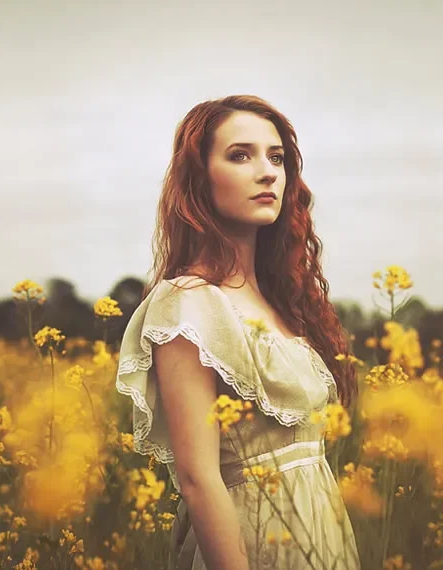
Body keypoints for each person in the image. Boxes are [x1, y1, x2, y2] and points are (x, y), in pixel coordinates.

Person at [115, 94, 361, 570]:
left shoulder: (282, 300)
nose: (267, 173)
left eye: (277, 158)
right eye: (240, 156)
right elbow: (198, 479)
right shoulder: (186, 302)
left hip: (321, 539)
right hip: (251, 544)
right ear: (199, 178)